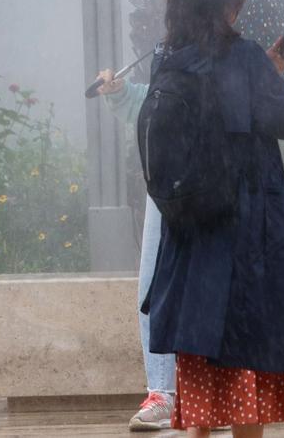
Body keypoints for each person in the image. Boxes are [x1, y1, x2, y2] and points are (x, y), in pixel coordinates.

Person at [138, 0, 284, 438]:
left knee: (203, 376)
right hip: (245, 239)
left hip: (192, 239)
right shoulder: (240, 58)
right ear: (229, 2)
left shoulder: (170, 58)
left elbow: (220, 104)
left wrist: (266, 67)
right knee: (247, 369)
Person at [92, 70, 178, 432]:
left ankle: (210, 397)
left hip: (219, 183)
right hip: (167, 182)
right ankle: (163, 393)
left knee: (214, 287)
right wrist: (122, 92)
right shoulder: (173, 50)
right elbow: (153, 102)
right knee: (153, 289)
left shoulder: (235, 54)